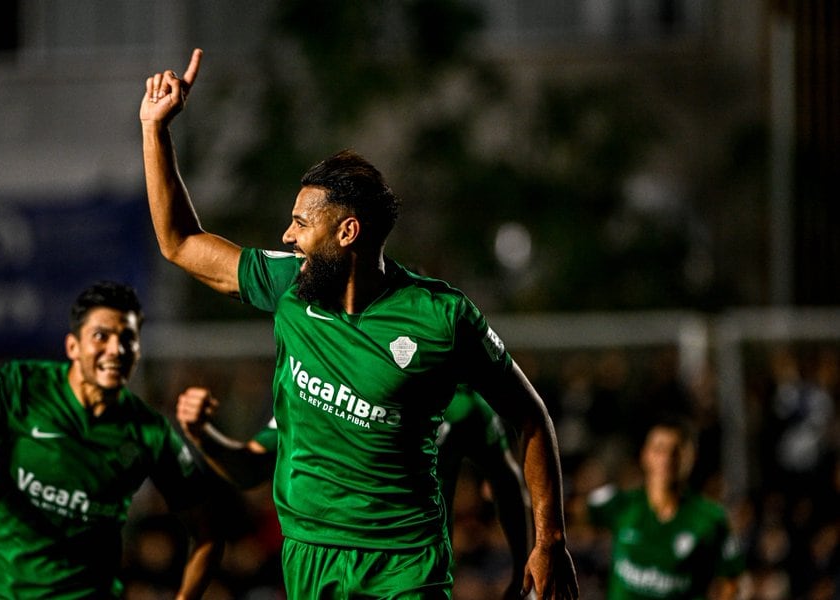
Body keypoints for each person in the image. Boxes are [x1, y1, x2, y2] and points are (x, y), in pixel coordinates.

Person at [140, 48, 577, 599]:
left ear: (347, 234)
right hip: (310, 555)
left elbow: (530, 417)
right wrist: (154, 130)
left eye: (301, 222)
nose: (287, 236)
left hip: (405, 563)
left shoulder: (441, 317)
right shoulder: (289, 286)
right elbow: (179, 242)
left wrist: (550, 538)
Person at [0, 281, 223, 599]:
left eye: (127, 338)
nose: (116, 349)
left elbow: (208, 532)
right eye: (101, 336)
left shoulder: (150, 432)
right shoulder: (19, 386)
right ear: (72, 346)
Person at [175, 382, 534, 598]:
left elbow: (507, 481)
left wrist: (523, 567)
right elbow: (249, 468)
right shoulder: (311, 389)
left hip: (410, 578)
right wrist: (202, 435)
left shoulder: (459, 404)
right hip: (324, 576)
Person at [584, 414, 745, 599]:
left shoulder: (711, 518)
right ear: (645, 454)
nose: (667, 458)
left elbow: (732, 579)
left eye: (676, 450)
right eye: (659, 449)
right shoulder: (621, 503)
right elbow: (568, 522)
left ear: (692, 457)